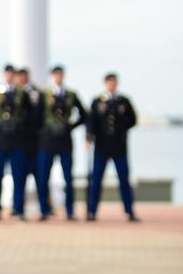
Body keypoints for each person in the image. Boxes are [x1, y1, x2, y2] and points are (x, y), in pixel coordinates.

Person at [0, 64, 35, 220]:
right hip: (1, 140)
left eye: (11, 74)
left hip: (18, 141)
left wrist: (19, 124)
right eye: (7, 73)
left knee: (19, 176)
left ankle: (19, 209)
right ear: (4, 74)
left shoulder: (22, 93)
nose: (9, 76)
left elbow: (30, 113)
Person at [86, 73, 138, 221]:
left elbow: (133, 119)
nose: (111, 85)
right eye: (109, 82)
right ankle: (92, 211)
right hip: (101, 147)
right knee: (96, 180)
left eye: (114, 82)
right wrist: (89, 136)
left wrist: (122, 130)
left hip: (119, 147)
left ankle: (129, 211)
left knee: (124, 180)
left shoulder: (124, 101)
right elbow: (91, 121)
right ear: (105, 83)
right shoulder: (97, 101)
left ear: (117, 83)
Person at [37, 65, 86, 221]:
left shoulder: (71, 94)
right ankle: (44, 210)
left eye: (60, 74)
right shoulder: (44, 95)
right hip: (48, 142)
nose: (58, 77)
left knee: (68, 178)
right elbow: (36, 116)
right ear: (52, 76)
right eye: (56, 75)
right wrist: (44, 130)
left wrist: (70, 127)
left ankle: (70, 210)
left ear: (63, 76)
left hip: (65, 141)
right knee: (43, 176)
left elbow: (84, 114)